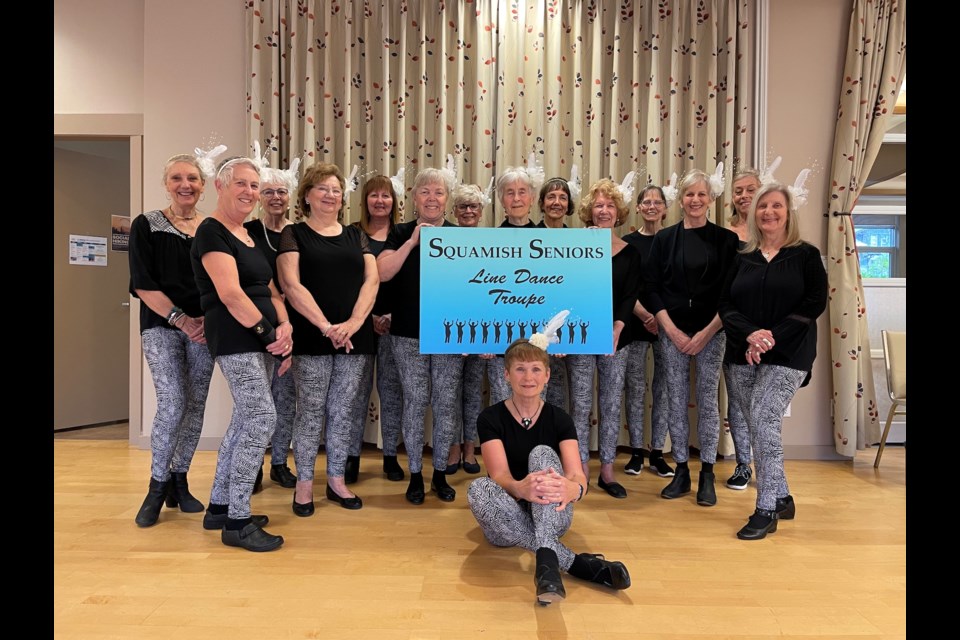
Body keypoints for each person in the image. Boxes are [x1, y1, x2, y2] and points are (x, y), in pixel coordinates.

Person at [467, 338, 631, 606]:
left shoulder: (560, 419)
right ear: (506, 374)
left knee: (542, 453)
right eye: (520, 369)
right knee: (478, 489)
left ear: (547, 375)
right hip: (506, 517)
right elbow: (498, 475)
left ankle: (547, 562)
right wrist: (521, 488)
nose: (528, 377)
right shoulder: (490, 418)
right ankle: (575, 563)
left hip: (552, 514)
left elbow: (577, 476)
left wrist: (574, 488)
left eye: (535, 369)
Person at [192, 156, 291, 552]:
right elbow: (230, 294)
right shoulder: (212, 231)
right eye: (242, 184)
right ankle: (237, 521)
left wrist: (285, 327)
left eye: (255, 185)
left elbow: (269, 289)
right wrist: (269, 333)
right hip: (236, 338)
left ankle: (218, 506)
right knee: (263, 416)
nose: (250, 192)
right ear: (221, 185)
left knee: (243, 420)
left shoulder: (247, 234)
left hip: (263, 336)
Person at [719, 181, 827, 539]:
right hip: (742, 351)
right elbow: (726, 305)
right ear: (753, 213)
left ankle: (765, 508)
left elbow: (814, 304)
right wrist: (751, 334)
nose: (768, 212)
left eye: (776, 206)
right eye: (762, 207)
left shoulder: (805, 255)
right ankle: (782, 495)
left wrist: (770, 337)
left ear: (788, 212)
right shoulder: (741, 257)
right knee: (754, 424)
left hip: (789, 352)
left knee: (764, 418)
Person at [278, 162, 378, 514]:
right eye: (323, 188)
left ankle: (336, 481)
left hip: (355, 338)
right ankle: (303, 484)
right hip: (312, 336)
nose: (331, 194)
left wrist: (351, 323)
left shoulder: (356, 234)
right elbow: (291, 285)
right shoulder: (294, 234)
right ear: (307, 195)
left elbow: (372, 281)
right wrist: (326, 326)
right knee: (310, 412)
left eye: (336, 189)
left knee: (343, 412)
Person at [130, 152, 217, 527]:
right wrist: (180, 319)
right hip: (162, 325)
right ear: (166, 184)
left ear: (203, 186)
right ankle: (156, 485)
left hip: (205, 328)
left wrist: (205, 321)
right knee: (172, 402)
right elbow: (142, 283)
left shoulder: (212, 228)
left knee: (195, 404)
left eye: (193, 179)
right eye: (178, 178)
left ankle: (180, 480)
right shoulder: (146, 224)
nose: (186, 185)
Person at [644, 169, 738, 506]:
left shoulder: (727, 241)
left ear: (711, 199)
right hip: (672, 333)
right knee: (675, 399)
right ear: (680, 200)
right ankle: (682, 469)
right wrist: (670, 329)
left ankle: (708, 472)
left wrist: (706, 332)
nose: (695, 200)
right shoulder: (664, 239)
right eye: (689, 195)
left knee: (709, 403)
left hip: (712, 333)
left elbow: (731, 294)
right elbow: (652, 288)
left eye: (701, 194)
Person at [376, 168, 463, 504]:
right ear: (414, 198)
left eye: (438, 192)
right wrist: (413, 242)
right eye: (425, 191)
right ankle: (414, 474)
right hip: (407, 334)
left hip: (449, 336)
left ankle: (440, 473)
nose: (431, 198)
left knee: (445, 404)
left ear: (447, 199)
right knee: (414, 403)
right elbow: (382, 273)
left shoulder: (460, 236)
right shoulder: (399, 234)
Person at [565, 179, 641, 499]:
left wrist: (617, 328)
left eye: (610, 205)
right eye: (598, 205)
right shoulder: (573, 248)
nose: (604, 210)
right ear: (589, 212)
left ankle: (607, 471)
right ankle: (580, 469)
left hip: (616, 339)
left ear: (618, 212)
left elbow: (629, 296)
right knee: (580, 405)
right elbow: (565, 290)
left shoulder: (630, 253)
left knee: (610, 404)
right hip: (581, 337)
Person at [244, 162, 299, 491]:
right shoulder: (248, 232)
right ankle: (253, 465)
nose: (275, 197)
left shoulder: (301, 232)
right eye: (268, 192)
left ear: (290, 197)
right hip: (255, 324)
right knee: (256, 399)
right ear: (259, 197)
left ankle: (279, 461)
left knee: (285, 397)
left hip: (294, 325)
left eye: (281, 192)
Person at [347, 175, 406, 484]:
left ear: (394, 201)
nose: (380, 201)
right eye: (374, 196)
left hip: (396, 326)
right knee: (355, 394)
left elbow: (410, 282)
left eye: (386, 196)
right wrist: (367, 317)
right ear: (365, 200)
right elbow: (345, 284)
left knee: (391, 392)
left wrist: (394, 315)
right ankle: (351, 457)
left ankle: (390, 457)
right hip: (360, 325)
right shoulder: (351, 234)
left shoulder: (403, 234)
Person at [620, 185, 674, 478]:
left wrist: (662, 317)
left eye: (657, 202)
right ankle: (637, 451)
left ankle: (657, 452)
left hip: (668, 325)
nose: (651, 206)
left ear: (665, 208)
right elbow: (626, 285)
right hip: (635, 323)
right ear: (638, 207)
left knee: (663, 389)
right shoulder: (628, 243)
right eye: (646, 201)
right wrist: (643, 313)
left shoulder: (673, 240)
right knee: (636, 387)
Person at [721, 168, 763, 491]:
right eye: (738, 191)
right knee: (737, 398)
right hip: (734, 328)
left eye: (751, 189)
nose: (744, 196)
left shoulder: (775, 232)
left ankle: (767, 463)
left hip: (771, 330)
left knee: (765, 400)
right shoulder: (725, 235)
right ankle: (742, 465)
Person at [445, 183, 486, 476]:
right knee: (449, 394)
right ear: (454, 211)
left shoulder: (493, 242)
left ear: (481, 212)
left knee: (473, 393)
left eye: (473, 206)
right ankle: (452, 449)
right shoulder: (442, 241)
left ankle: (470, 449)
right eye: (463, 206)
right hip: (449, 332)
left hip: (483, 335)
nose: (468, 211)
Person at [536, 177, 576, 411]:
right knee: (535, 392)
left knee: (558, 396)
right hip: (533, 331)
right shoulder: (526, 237)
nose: (557, 202)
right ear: (542, 203)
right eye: (551, 197)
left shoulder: (580, 241)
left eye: (562, 197)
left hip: (566, 329)